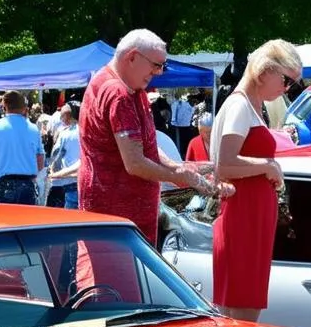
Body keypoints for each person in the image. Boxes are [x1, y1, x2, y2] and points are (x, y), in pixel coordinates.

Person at [77, 29, 226, 245]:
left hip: (124, 221)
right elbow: (135, 163)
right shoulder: (118, 94)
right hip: (118, 226)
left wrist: (178, 168)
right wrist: (179, 177)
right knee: (117, 278)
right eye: (156, 65)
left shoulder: (130, 88)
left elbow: (147, 147)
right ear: (132, 57)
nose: (159, 72)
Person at [210, 38, 302, 321]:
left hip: (249, 217)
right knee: (242, 312)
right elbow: (224, 164)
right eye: (286, 80)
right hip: (243, 218)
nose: (286, 88)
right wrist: (267, 166)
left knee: (241, 309)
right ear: (265, 70)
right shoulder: (240, 106)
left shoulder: (249, 106)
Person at [0, 90, 45, 205]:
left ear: (4, 106)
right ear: (24, 107)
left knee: (3, 221)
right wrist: (34, 176)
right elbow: (40, 158)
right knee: (28, 222)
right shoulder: (34, 129)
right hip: (27, 183)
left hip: (4, 183)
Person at [46, 104, 81, 208]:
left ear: (68, 116)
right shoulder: (89, 131)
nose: (61, 119)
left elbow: (56, 155)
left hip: (68, 181)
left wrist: (53, 173)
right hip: (84, 180)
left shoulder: (65, 133)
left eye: (62, 116)